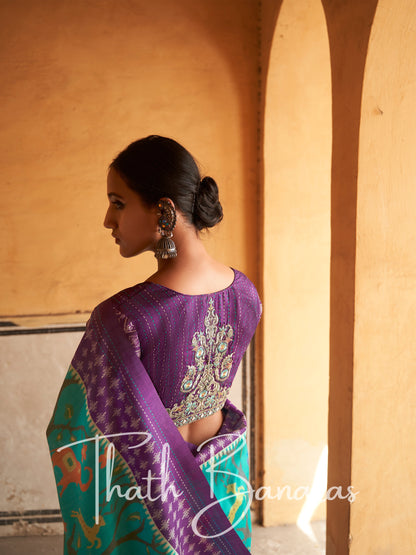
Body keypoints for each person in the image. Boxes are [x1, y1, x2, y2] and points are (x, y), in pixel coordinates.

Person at [47, 135, 262, 554]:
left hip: (149, 498)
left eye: (118, 202)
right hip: (223, 480)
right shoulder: (246, 294)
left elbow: (74, 430)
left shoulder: (123, 317)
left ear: (163, 210)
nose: (108, 219)